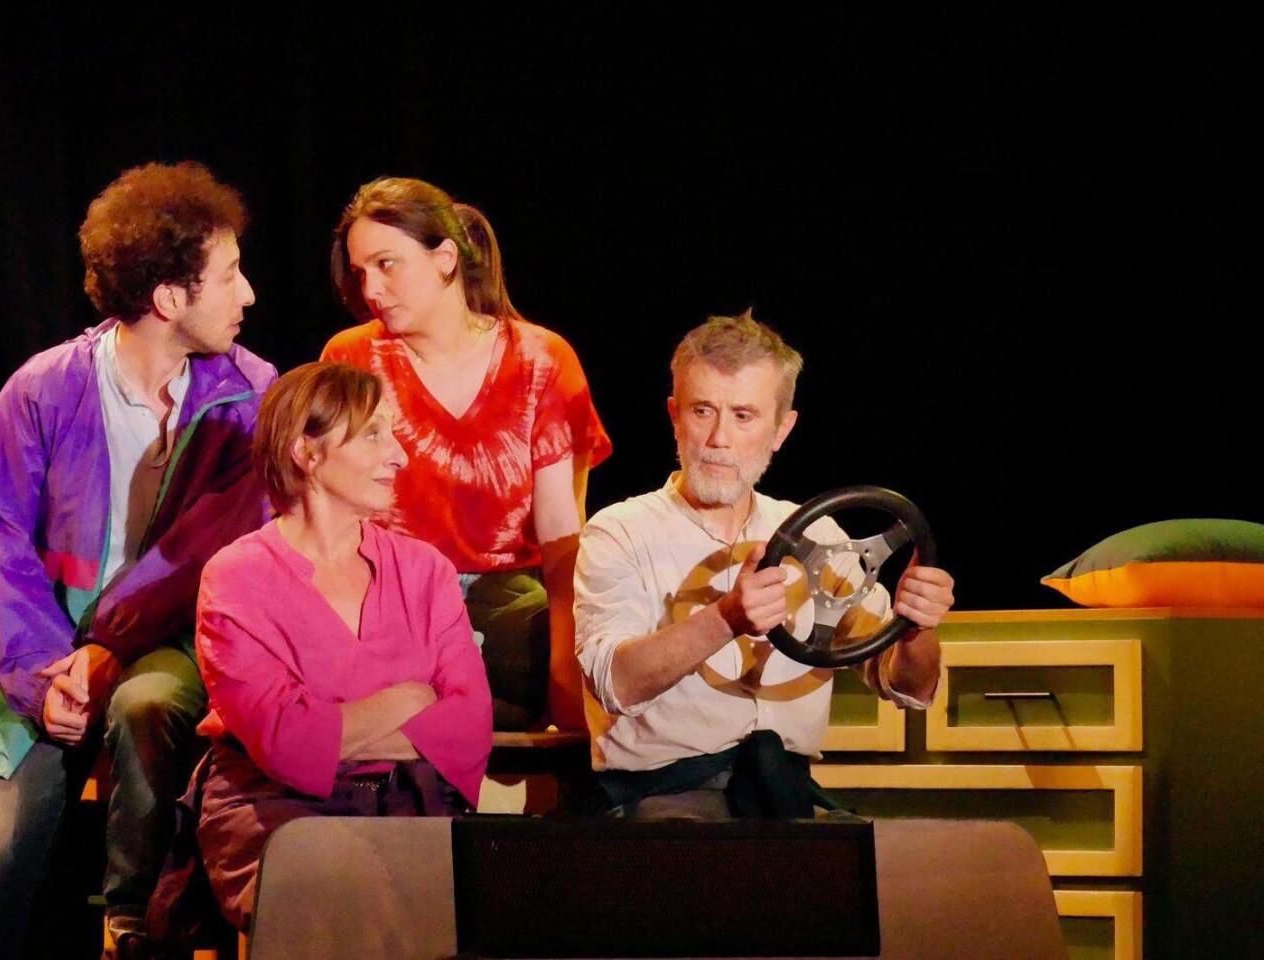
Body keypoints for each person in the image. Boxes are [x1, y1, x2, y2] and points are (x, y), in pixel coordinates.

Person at [0, 161, 276, 959]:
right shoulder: (45, 390)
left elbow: (198, 556)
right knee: (6, 855)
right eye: (229, 274)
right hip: (45, 656)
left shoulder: (248, 397)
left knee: (146, 715)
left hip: (168, 642)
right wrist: (41, 674)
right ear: (169, 298)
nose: (249, 294)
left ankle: (132, 932)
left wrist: (109, 648)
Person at [574, 310, 956, 819]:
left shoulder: (817, 536)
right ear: (674, 416)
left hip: (784, 800)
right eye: (703, 411)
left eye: (744, 416)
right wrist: (726, 617)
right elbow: (614, 682)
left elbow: (909, 687)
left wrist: (914, 629)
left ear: (781, 429)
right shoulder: (620, 532)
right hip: (663, 803)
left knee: (874, 859)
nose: (719, 439)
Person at [187, 361, 491, 930]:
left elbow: (469, 727)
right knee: (339, 891)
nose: (399, 455)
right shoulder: (236, 577)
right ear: (307, 451)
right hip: (277, 810)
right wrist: (410, 702)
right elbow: (283, 742)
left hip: (410, 801)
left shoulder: (424, 570)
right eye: (373, 434)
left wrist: (332, 726)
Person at [322, 176, 610, 731]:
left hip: (505, 598)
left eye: (386, 264)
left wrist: (566, 672)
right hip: (389, 596)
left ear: (446, 259)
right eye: (360, 273)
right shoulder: (352, 357)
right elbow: (331, 512)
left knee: (557, 657)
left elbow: (561, 534)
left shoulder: (540, 359)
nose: (371, 289)